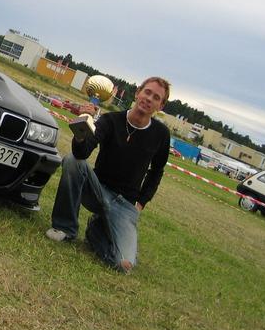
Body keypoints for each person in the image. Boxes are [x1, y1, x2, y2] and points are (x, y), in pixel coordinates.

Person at [45, 77, 171, 272]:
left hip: (125, 205)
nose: (149, 99)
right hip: (97, 190)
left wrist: (141, 203)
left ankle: (95, 231)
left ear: (160, 106)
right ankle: (65, 228)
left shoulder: (161, 134)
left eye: (156, 97)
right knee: (72, 161)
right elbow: (81, 154)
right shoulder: (110, 120)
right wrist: (82, 126)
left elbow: (157, 172)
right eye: (147, 92)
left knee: (123, 265)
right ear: (137, 93)